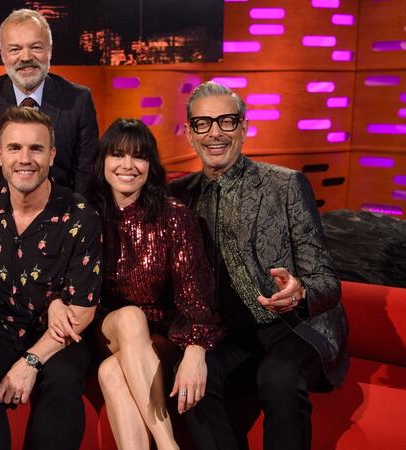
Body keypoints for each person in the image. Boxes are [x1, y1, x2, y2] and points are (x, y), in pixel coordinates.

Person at [167, 81, 349, 450]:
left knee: (277, 377)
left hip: (297, 326)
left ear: (244, 127)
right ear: (189, 133)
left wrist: (300, 292)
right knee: (191, 380)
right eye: (202, 123)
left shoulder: (285, 185)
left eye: (227, 121)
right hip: (232, 334)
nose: (215, 132)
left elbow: (327, 280)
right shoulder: (178, 197)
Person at [0, 107, 102, 450]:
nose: (25, 159)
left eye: (36, 149)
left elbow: (82, 313)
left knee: (65, 379)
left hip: (57, 332)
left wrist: (31, 360)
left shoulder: (80, 215)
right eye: (14, 148)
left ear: (52, 155)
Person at [84, 119, 223, 450]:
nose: (128, 166)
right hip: (103, 329)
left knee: (111, 373)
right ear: (103, 160)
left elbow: (195, 291)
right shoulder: (87, 214)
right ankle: (168, 445)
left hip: (159, 336)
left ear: (151, 165)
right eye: (118, 155)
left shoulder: (173, 216)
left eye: (139, 157)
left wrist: (195, 349)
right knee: (130, 316)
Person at [0, 8, 99, 204]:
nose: (25, 57)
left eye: (36, 47)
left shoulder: (78, 100)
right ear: (2, 55)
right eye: (15, 49)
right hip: (2, 220)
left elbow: (86, 176)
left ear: (49, 50)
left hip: (65, 218)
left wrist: (74, 226)